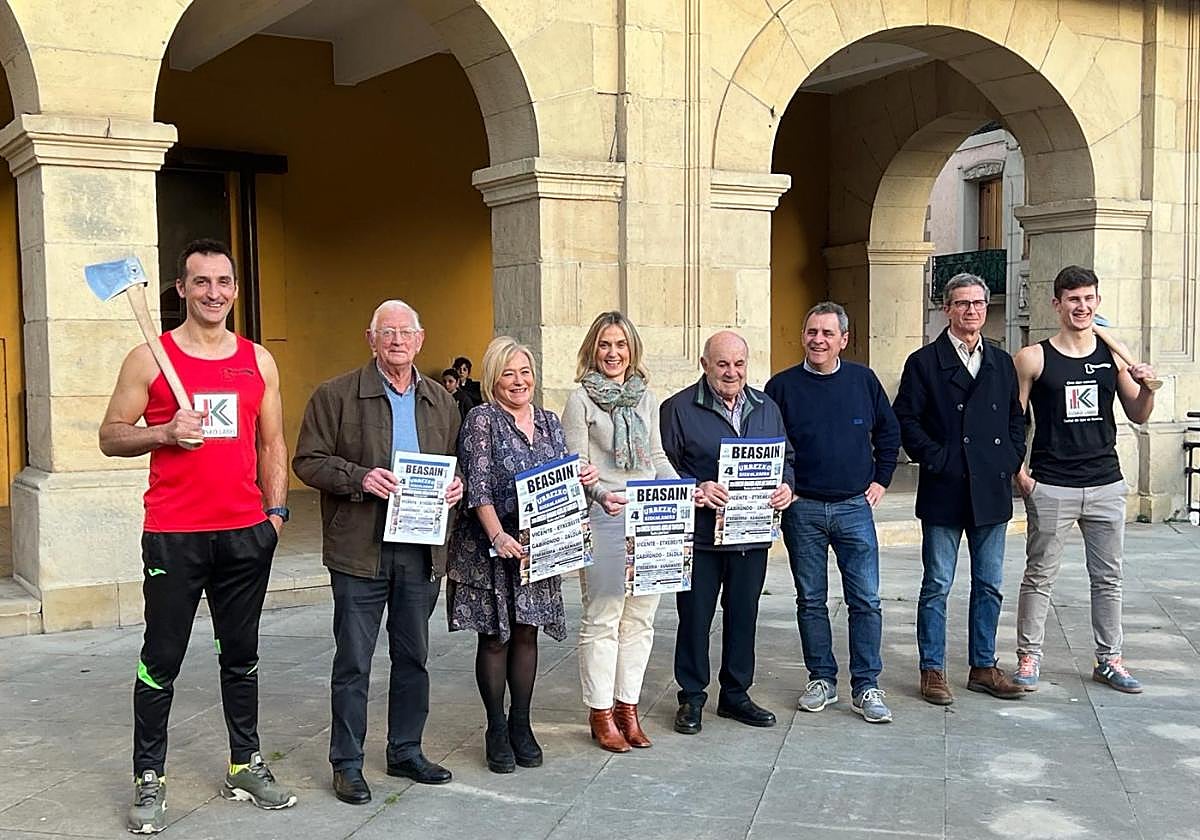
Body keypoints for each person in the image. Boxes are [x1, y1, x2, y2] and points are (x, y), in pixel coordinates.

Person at [99, 239, 295, 834]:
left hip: (243, 535)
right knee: (162, 659)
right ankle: (149, 775)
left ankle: (245, 762)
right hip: (175, 536)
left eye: (224, 282)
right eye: (201, 282)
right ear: (181, 289)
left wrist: (277, 514)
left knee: (241, 658)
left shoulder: (257, 360)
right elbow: (110, 435)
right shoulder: (148, 359)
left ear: (236, 289)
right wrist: (162, 431)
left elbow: (272, 443)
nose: (214, 293)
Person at [293, 300, 464, 806]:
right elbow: (308, 460)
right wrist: (360, 478)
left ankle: (405, 749)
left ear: (420, 339)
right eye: (386, 332)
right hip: (359, 550)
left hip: (420, 549)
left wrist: (455, 487)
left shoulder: (441, 401)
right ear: (371, 340)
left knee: (414, 655)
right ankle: (346, 762)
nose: (396, 341)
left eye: (405, 332)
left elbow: (455, 463)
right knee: (354, 661)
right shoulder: (336, 394)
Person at [446, 337, 599, 772]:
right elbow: (476, 486)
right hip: (491, 548)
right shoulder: (481, 420)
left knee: (527, 633)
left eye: (525, 372)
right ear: (494, 378)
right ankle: (495, 726)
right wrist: (497, 536)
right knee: (496, 637)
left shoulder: (550, 421)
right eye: (509, 373)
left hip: (538, 549)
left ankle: (521, 723)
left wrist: (581, 476)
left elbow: (561, 479)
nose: (519, 381)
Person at [1012, 265, 1156, 694]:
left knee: (1109, 578)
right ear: (1057, 304)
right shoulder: (1033, 358)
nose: (1082, 306)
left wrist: (1148, 387)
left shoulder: (1112, 355)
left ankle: (1109, 659)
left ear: (1097, 301)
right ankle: (1029, 657)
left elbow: (1138, 413)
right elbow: (1013, 421)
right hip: (1052, 483)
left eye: (1089, 298)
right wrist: (1020, 474)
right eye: (1073, 299)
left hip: (1105, 481)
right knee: (1039, 575)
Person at [893, 275, 1026, 706]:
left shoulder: (1002, 362)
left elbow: (1015, 419)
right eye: (961, 304)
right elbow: (906, 421)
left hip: (990, 488)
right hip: (944, 488)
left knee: (989, 584)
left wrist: (1009, 459)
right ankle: (932, 669)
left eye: (978, 303)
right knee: (937, 583)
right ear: (947, 309)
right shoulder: (924, 362)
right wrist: (939, 458)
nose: (971, 311)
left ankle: (983, 666)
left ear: (986, 308)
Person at [562, 311, 690, 752]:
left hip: (651, 515)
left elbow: (655, 455)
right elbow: (577, 466)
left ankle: (627, 709)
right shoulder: (580, 401)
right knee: (603, 618)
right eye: (604, 345)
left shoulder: (646, 397)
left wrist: (679, 491)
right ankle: (600, 713)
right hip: (605, 514)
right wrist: (600, 495)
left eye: (620, 344)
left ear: (631, 349)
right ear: (592, 351)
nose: (612, 353)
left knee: (640, 618)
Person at [766, 302, 900, 724]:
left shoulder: (863, 380)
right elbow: (767, 443)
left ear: (843, 339)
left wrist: (881, 480)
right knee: (811, 599)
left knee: (866, 600)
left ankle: (866, 685)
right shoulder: (781, 386)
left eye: (827, 333)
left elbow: (889, 431)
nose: (818, 340)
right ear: (803, 336)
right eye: (811, 332)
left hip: (853, 508)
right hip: (802, 508)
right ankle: (821, 677)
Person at [660, 331, 795, 735]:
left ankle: (735, 694)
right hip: (700, 537)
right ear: (704, 364)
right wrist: (695, 487)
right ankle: (692, 697)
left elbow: (786, 457)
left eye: (738, 364)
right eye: (722, 364)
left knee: (744, 615)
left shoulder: (766, 406)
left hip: (750, 535)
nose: (731, 372)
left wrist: (787, 485)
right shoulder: (677, 409)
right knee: (695, 617)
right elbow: (661, 468)